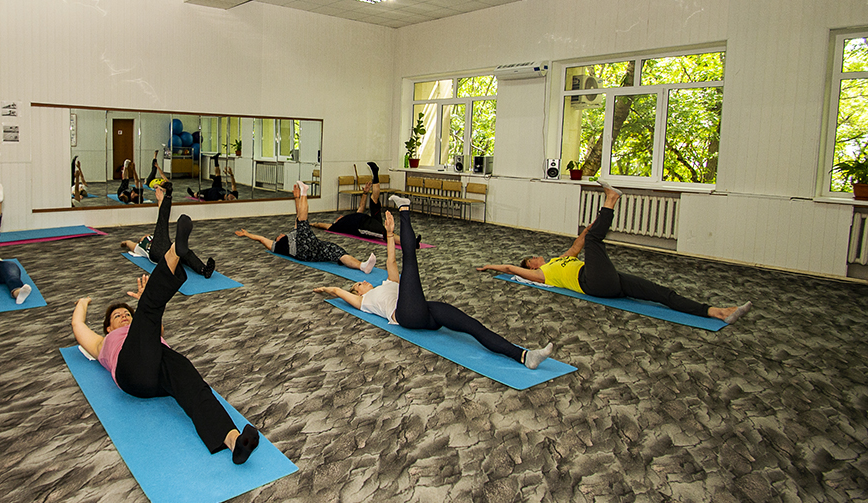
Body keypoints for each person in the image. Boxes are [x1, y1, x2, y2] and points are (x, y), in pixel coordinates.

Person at [72, 215, 260, 463]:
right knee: (149, 309)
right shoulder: (103, 342)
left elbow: (154, 329)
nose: (124, 317)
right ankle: (174, 252)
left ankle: (233, 441)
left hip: (159, 370)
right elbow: (78, 326)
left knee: (192, 382)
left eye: (127, 314)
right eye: (118, 316)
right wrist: (83, 302)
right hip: (131, 373)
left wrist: (142, 309)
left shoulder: (142, 326)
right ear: (108, 327)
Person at [314, 197, 554, 369]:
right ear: (358, 292)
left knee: (472, 325)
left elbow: (390, 260)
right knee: (411, 261)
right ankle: (405, 208)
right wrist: (325, 289)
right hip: (406, 316)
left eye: (361, 283)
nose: (363, 283)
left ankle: (524, 356)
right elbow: (337, 290)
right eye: (359, 285)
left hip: (424, 312)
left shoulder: (388, 283)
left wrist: (390, 233)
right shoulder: (364, 302)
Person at [477, 183, 752, 323]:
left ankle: (716, 312)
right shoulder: (543, 275)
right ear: (532, 266)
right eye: (532, 258)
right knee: (595, 240)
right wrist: (490, 267)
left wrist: (595, 224)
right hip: (593, 283)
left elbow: (579, 241)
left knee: (661, 293)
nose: (537, 256)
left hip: (609, 281)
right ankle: (611, 198)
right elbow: (511, 269)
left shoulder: (560, 259)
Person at [235, 182, 378, 273]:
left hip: (315, 247)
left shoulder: (293, 233)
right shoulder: (276, 246)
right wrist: (247, 234)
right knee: (302, 223)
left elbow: (299, 214)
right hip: (301, 250)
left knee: (336, 250)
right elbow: (261, 239)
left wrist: (296, 198)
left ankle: (362, 266)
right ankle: (305, 192)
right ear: (277, 239)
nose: (280, 235)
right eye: (278, 236)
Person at [119, 182, 217, 278]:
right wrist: (125, 243)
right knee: (162, 225)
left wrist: (160, 200)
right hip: (156, 254)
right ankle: (168, 195)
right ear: (140, 240)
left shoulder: (156, 237)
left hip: (168, 250)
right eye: (143, 237)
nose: (146, 235)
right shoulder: (140, 246)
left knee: (184, 252)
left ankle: (203, 270)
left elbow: (162, 218)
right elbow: (129, 243)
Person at [310, 161, 416, 245]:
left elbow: (361, 207)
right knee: (385, 233)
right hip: (363, 227)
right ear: (336, 221)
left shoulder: (351, 217)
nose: (339, 217)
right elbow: (324, 225)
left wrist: (365, 193)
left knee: (374, 200)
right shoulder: (338, 226)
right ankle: (411, 243)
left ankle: (375, 174)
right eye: (337, 218)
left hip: (368, 219)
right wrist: (313, 224)